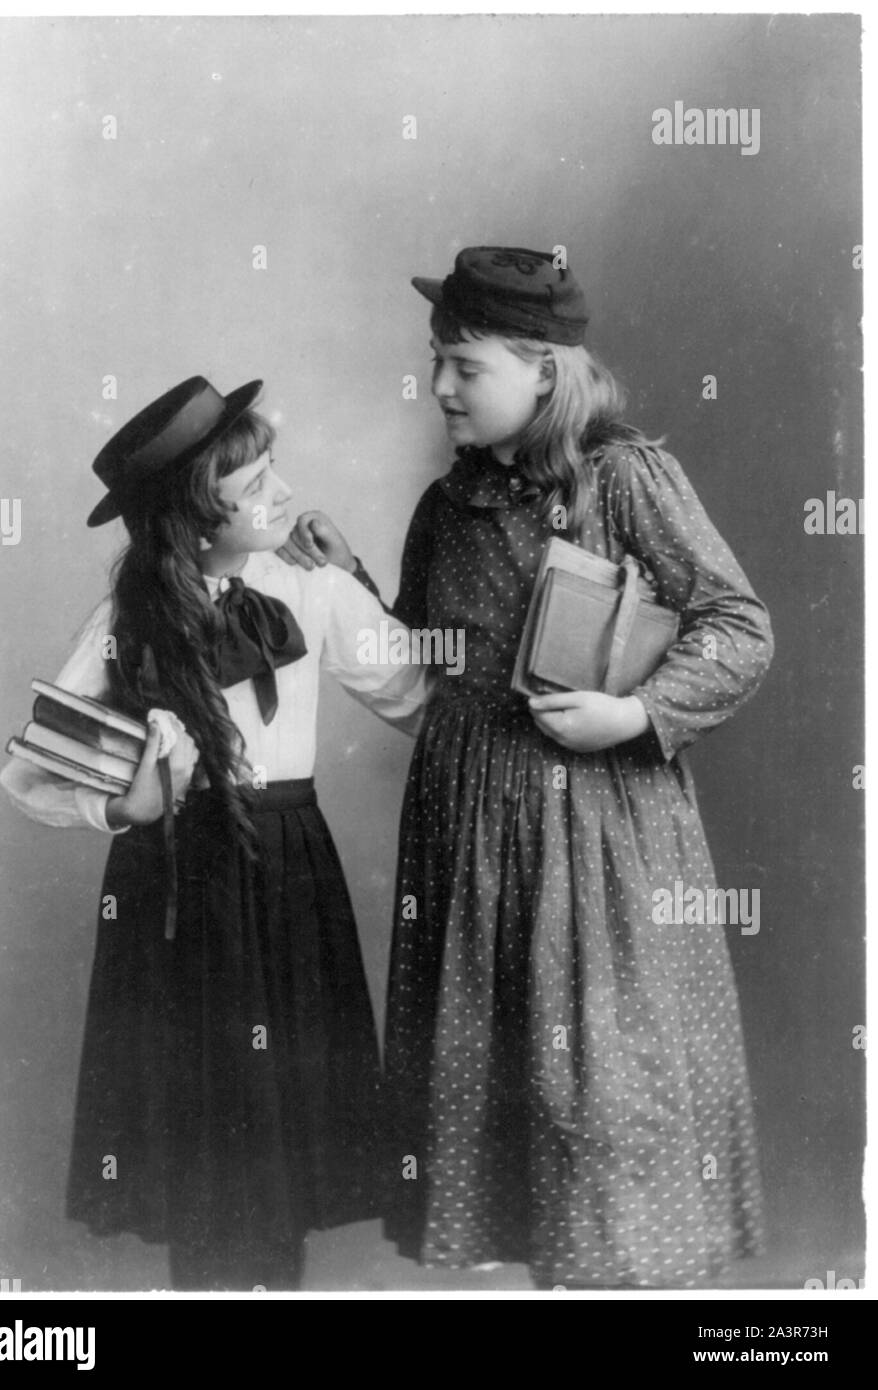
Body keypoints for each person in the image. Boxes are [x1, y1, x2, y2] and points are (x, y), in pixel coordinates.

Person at [280, 247, 775, 1288]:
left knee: (600, 1094)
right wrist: (350, 580)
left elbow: (738, 627)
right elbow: (429, 656)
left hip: (596, 835)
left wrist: (634, 711)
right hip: (468, 838)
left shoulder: (625, 477)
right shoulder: (443, 507)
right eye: (436, 362)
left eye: (463, 364)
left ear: (543, 370)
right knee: (499, 1098)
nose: (439, 387)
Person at [0, 375, 429, 1291]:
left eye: (274, 471)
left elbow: (421, 701)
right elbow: (28, 772)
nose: (281, 495)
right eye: (254, 486)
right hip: (179, 890)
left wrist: (356, 578)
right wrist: (122, 807)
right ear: (195, 522)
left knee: (288, 1133)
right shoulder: (129, 623)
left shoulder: (308, 590)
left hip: (289, 869)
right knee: (208, 1141)